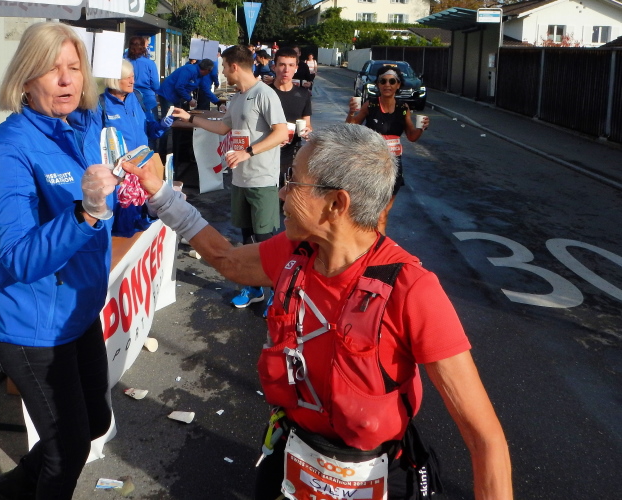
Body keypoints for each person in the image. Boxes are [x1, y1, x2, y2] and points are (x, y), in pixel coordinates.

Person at [119, 123, 513, 500]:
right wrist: (162, 196)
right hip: (292, 453)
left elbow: (485, 438)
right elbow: (227, 260)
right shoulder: (296, 252)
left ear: (337, 204)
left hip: (376, 473)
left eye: (293, 181)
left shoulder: (411, 290)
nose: (281, 193)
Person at [0, 22, 135, 499]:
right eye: (51, 69)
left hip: (76, 315)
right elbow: (18, 258)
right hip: (32, 327)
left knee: (95, 422)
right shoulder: (8, 149)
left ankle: (11, 487)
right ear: (26, 79)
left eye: (74, 67)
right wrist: (84, 212)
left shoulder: (77, 129)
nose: (67, 79)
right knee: (67, 453)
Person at [170, 44, 287, 309]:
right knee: (247, 239)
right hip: (240, 180)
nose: (222, 71)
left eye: (224, 66)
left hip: (262, 180)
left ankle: (277, 293)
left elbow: (281, 133)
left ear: (234, 66)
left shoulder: (264, 94)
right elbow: (223, 128)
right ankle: (253, 288)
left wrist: (247, 152)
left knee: (266, 240)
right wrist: (190, 118)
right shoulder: (237, 98)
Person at [346, 64, 429, 235]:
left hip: (393, 166)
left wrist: (421, 128)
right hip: (371, 164)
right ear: (378, 84)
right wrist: (351, 112)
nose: (387, 85)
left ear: (398, 85)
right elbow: (351, 126)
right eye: (383, 81)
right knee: (368, 211)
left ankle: (377, 246)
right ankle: (363, 242)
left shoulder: (403, 109)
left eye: (392, 81)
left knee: (383, 214)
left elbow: (411, 136)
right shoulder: (370, 105)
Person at [156, 59, 219, 157]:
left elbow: (205, 90)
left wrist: (217, 102)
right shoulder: (189, 70)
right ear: (207, 70)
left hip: (176, 97)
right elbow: (179, 86)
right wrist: (189, 99)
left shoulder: (201, 76)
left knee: (177, 122)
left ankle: (176, 150)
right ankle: (162, 153)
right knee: (167, 123)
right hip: (167, 95)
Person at [270, 47, 312, 185]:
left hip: (292, 154)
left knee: (287, 193)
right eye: (282, 65)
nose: (286, 70)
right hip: (266, 153)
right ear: (274, 67)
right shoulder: (265, 93)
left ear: (296, 68)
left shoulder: (303, 95)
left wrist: (307, 131)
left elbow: (307, 123)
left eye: (291, 65)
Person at [126, 36, 161, 117]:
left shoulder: (125, 63)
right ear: (143, 47)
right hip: (147, 98)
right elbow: (155, 84)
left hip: (130, 97)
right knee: (152, 122)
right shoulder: (150, 63)